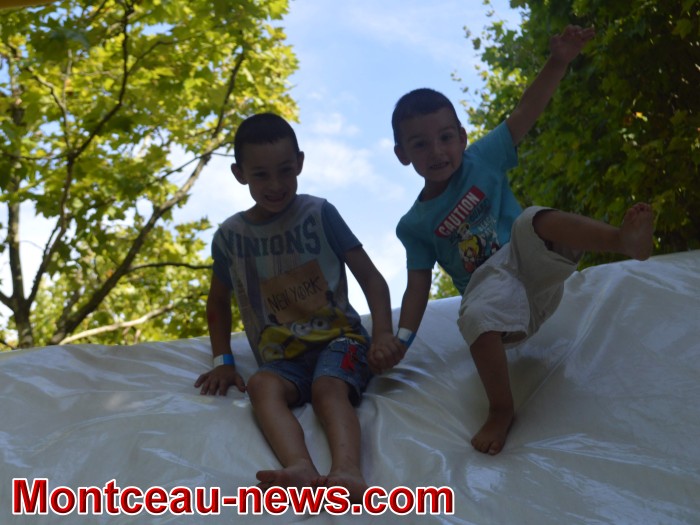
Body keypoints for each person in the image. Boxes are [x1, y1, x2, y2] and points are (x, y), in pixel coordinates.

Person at [369, 26, 654, 455]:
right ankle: (501, 409)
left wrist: (558, 61)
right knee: (473, 314)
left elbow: (526, 110)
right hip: (495, 296)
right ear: (402, 154)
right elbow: (417, 286)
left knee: (532, 219)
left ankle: (622, 240)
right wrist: (401, 340)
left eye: (445, 137)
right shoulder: (415, 224)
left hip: (533, 266)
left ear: (462, 137)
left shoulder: (483, 158)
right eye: (420, 144)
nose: (437, 150)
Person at [194, 113, 401, 500]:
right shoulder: (230, 237)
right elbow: (217, 301)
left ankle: (347, 471)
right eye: (261, 175)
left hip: (340, 342)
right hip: (281, 360)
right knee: (261, 385)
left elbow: (371, 277)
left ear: (300, 163)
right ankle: (299, 467)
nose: (275, 185)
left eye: (285, 171)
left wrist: (383, 334)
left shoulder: (319, 214)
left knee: (328, 387)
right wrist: (223, 362)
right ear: (239, 174)